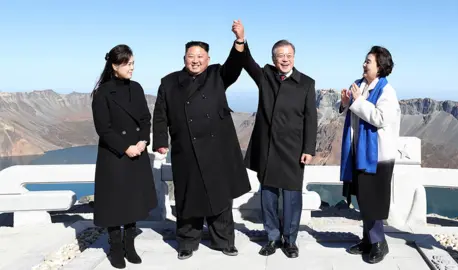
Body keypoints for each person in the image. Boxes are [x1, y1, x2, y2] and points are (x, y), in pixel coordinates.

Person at [152, 20, 251, 260]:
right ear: (184, 58)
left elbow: (235, 65)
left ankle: (225, 241)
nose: (195, 60)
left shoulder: (218, 74)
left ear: (208, 59)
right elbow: (160, 113)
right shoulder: (169, 82)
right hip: (185, 149)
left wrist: (239, 41)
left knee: (220, 197)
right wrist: (160, 142)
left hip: (217, 150)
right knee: (187, 196)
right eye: (190, 56)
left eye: (200, 56)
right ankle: (187, 242)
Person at [242, 37, 318, 258]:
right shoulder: (266, 77)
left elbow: (310, 119)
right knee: (268, 196)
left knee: (292, 198)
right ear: (273, 58)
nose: (284, 59)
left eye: (288, 55)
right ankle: (272, 238)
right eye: (280, 56)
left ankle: (290, 240)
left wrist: (309, 149)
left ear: (294, 57)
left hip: (294, 149)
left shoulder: (306, 83)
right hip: (267, 147)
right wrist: (241, 40)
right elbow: (247, 62)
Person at [91, 44, 157, 269]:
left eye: (133, 64)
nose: (132, 68)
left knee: (133, 200)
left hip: (137, 152)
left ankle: (130, 245)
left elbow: (145, 118)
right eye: (128, 64)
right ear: (114, 65)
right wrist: (125, 147)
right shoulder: (102, 93)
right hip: (114, 154)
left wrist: (142, 140)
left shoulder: (136, 88)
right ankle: (116, 247)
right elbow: (104, 128)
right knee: (114, 203)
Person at [339, 46, 400, 264]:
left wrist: (356, 102)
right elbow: (353, 113)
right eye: (365, 61)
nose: (364, 64)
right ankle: (367, 240)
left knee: (373, 200)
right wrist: (346, 103)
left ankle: (379, 243)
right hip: (359, 152)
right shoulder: (361, 85)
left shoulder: (387, 91)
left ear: (380, 67)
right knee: (364, 199)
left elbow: (380, 118)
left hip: (377, 157)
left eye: (369, 61)